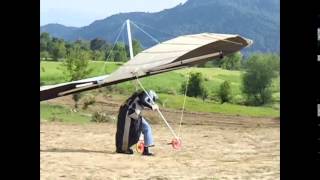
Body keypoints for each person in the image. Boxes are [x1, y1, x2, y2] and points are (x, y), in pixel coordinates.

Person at [115, 90, 159, 156]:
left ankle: (145, 150)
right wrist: (151, 106)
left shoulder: (141, 96)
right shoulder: (144, 94)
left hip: (135, 114)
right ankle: (122, 149)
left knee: (146, 128)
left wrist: (151, 106)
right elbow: (143, 100)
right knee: (126, 132)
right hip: (128, 113)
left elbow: (142, 102)